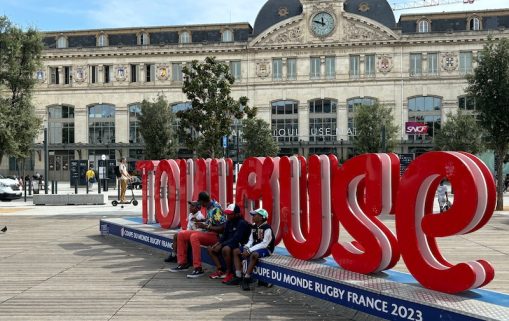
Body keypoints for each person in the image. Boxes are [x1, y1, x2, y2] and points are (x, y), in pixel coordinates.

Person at [169, 191, 226, 278]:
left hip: (216, 236)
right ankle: (183, 263)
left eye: (200, 202)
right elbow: (211, 221)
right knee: (181, 234)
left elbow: (222, 228)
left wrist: (205, 226)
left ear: (203, 201)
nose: (200, 204)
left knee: (194, 236)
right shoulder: (209, 206)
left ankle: (198, 268)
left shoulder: (216, 209)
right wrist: (201, 221)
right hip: (208, 233)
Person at [233, 208, 275, 290]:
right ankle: (238, 276)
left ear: (262, 217)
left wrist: (250, 250)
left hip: (266, 249)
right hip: (255, 248)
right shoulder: (254, 227)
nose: (252, 217)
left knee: (254, 254)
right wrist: (246, 247)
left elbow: (264, 244)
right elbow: (251, 240)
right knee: (236, 251)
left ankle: (246, 278)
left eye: (255, 215)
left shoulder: (267, 228)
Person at [208, 203, 250, 283]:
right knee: (210, 248)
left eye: (230, 214)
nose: (227, 215)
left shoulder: (242, 223)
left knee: (225, 249)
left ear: (237, 214)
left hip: (240, 244)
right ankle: (220, 270)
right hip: (229, 242)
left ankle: (229, 272)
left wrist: (222, 244)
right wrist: (218, 243)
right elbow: (224, 236)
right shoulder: (228, 222)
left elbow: (236, 239)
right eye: (227, 213)